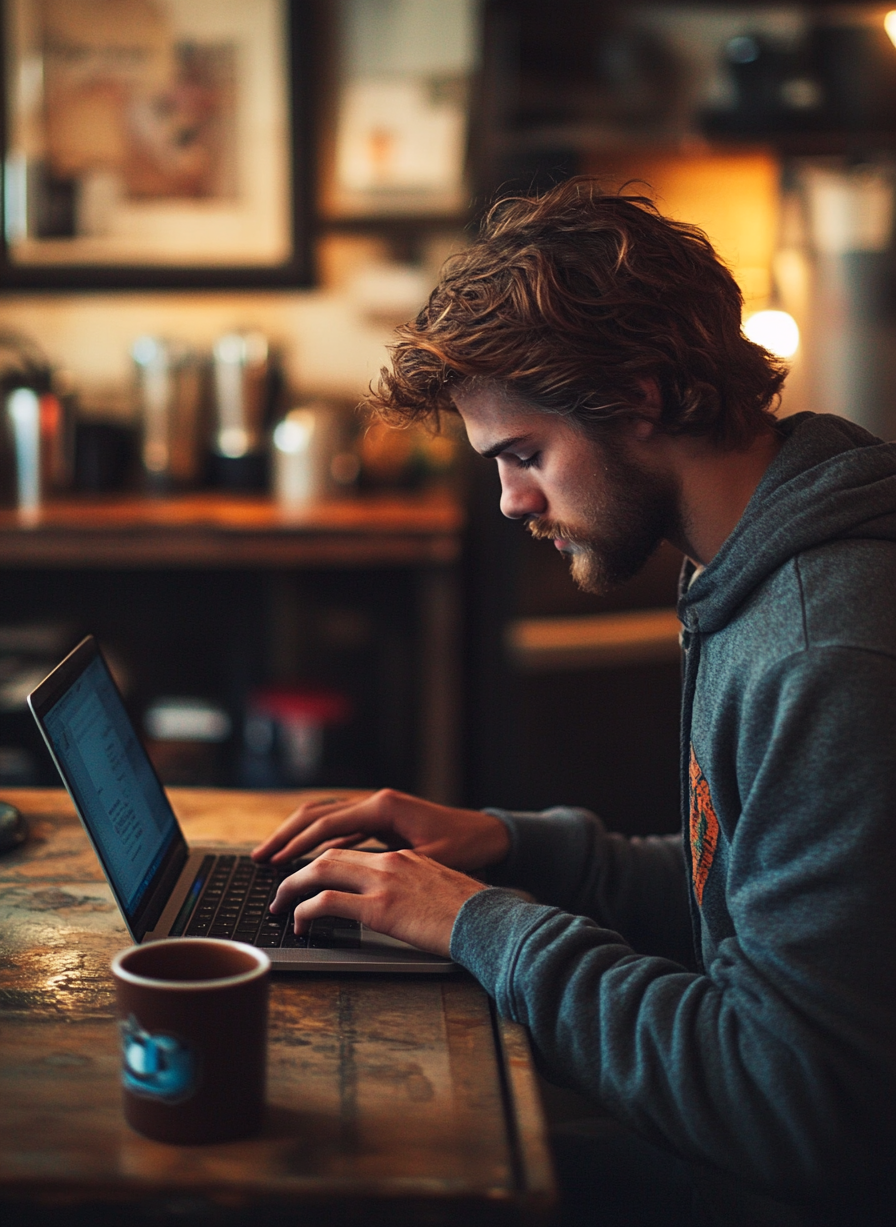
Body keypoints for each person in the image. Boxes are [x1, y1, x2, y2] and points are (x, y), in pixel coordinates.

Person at [253, 181, 896, 1226]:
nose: (509, 501)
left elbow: (799, 1110)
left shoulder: (824, 651)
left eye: (523, 454)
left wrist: (479, 927)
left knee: (345, 1177)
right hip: (759, 1147)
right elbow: (738, 895)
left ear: (638, 400)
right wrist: (507, 846)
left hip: (790, 1182)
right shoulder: (745, 562)